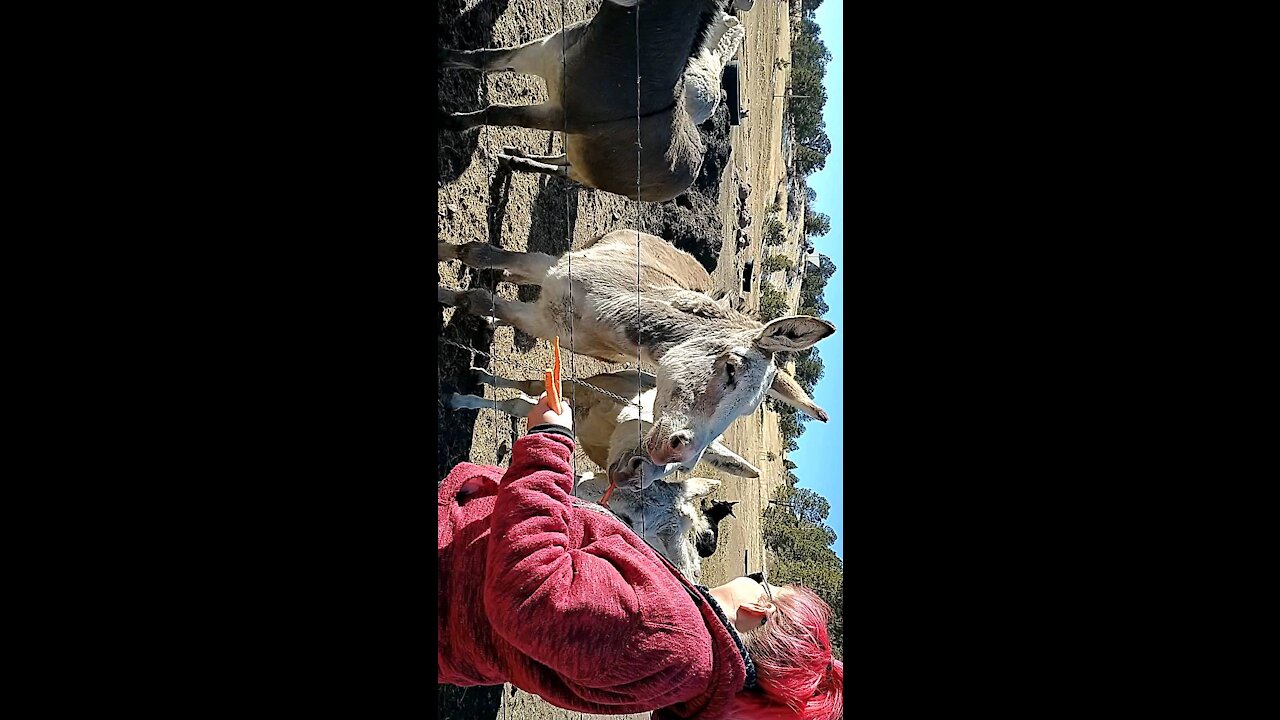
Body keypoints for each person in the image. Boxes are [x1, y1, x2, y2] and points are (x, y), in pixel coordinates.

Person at [438, 392, 843, 719]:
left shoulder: (673, 637)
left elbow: (529, 590)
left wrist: (548, 446)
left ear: (761, 609)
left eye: (766, 584)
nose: (755, 580)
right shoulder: (685, 659)